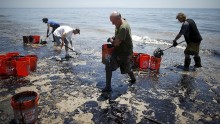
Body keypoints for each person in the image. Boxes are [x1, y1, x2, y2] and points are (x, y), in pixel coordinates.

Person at [102, 11, 136, 92]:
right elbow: (119, 34)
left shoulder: (123, 27)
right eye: (111, 21)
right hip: (125, 51)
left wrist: (111, 39)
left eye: (113, 21)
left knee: (109, 66)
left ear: (118, 19)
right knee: (127, 67)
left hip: (124, 52)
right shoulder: (121, 21)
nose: (112, 24)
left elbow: (116, 44)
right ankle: (133, 79)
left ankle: (108, 87)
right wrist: (115, 37)